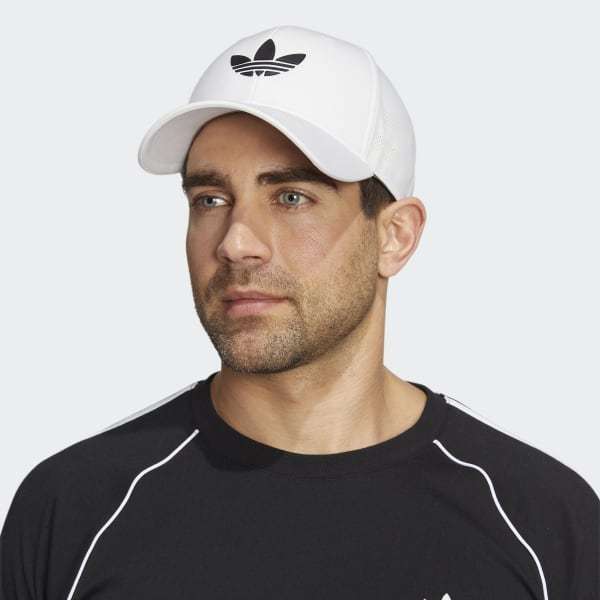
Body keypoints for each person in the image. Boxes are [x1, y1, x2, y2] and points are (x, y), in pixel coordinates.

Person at [1, 24, 598, 600]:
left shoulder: (542, 523)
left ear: (394, 236)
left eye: (291, 197)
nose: (237, 242)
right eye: (210, 199)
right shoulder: (75, 510)